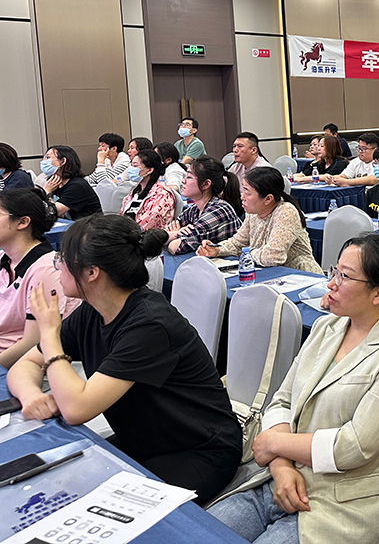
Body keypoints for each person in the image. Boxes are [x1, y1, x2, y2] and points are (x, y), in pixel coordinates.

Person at [209, 235, 379, 544]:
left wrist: (274, 443)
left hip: (340, 506)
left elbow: (353, 446)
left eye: (345, 277)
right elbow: (282, 401)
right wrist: (281, 466)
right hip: (278, 481)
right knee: (193, 533)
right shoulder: (327, 328)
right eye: (334, 271)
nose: (331, 284)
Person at [7, 215, 242, 502]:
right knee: (58, 486)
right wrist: (32, 395)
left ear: (92, 272)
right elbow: (24, 365)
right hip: (145, 438)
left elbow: (76, 408)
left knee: (99, 506)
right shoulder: (93, 311)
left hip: (199, 449)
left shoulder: (150, 325)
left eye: (62, 260)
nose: (58, 267)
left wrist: (49, 335)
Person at [0, 188, 79, 369]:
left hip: (21, 364)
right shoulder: (5, 258)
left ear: (23, 222)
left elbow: (33, 342)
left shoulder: (46, 270)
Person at [198, 166, 323, 274]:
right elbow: (238, 243)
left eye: (247, 192)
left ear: (268, 199)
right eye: (243, 190)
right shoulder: (253, 212)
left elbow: (273, 257)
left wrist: (247, 253)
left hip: (300, 276)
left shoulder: (286, 212)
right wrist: (217, 249)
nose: (242, 197)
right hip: (271, 274)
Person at [165, 157, 242, 254]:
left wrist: (172, 235)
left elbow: (176, 247)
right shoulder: (194, 209)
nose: (183, 181)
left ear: (206, 184)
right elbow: (164, 233)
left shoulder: (218, 210)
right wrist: (175, 233)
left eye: (189, 177)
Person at [39, 145, 102, 219]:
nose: (44, 161)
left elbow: (55, 212)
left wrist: (46, 192)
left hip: (89, 224)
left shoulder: (77, 185)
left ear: (63, 161)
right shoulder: (55, 182)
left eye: (48, 157)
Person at [120, 149, 175, 230]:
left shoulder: (162, 194)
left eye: (135, 166)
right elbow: (121, 215)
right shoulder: (135, 192)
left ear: (149, 170)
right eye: (131, 165)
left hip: (143, 235)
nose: (130, 169)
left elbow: (146, 224)